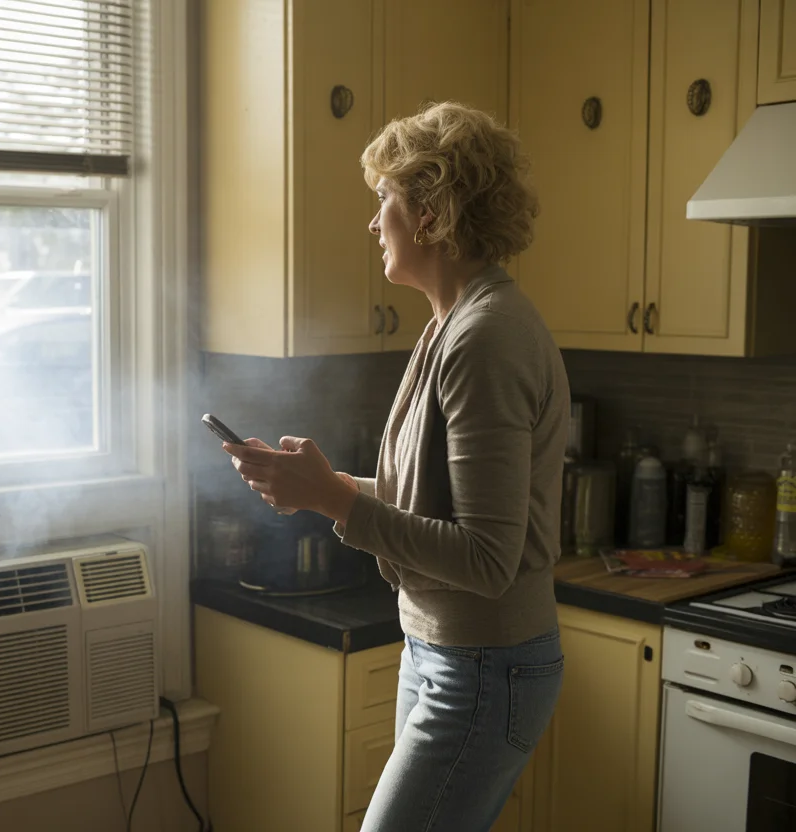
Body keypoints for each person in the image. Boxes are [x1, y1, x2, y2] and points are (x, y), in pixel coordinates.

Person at [221, 101, 570, 832]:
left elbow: (486, 558)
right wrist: (330, 489)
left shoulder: (485, 337)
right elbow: (441, 505)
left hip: (482, 664)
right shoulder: (452, 322)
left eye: (386, 199)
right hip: (448, 652)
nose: (374, 221)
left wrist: (338, 505)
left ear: (432, 213)